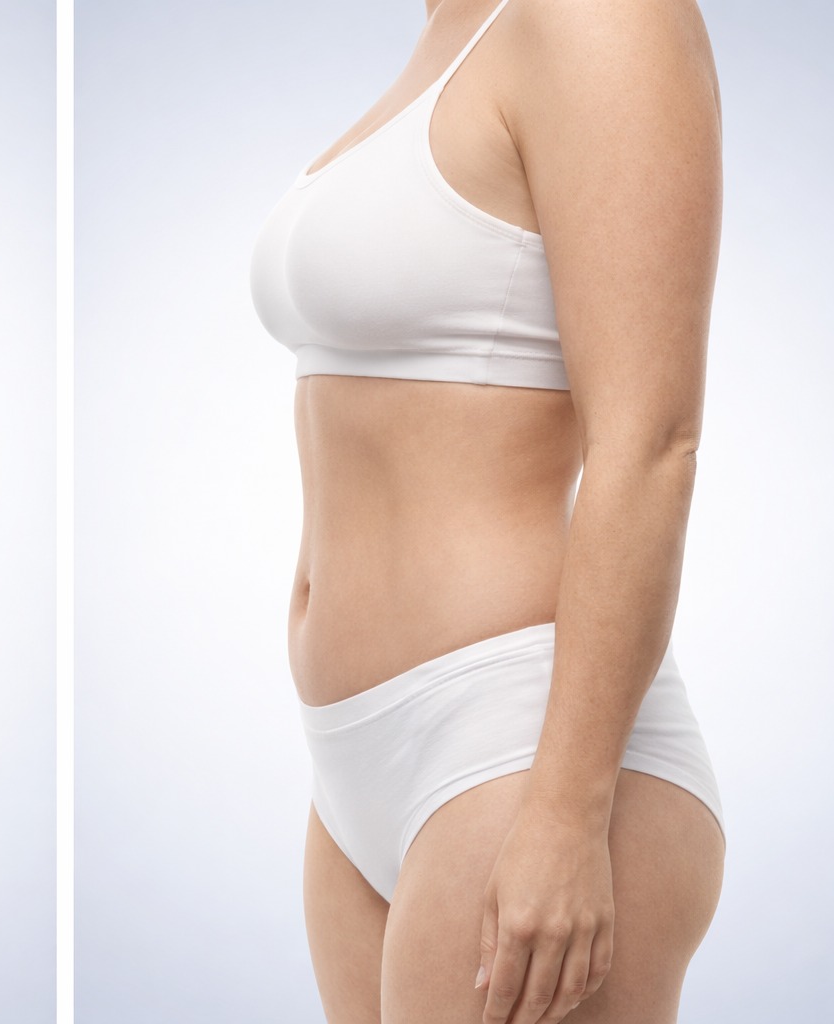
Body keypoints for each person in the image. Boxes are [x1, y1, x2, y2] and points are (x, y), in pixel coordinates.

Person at [249, 0, 726, 1020]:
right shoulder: (449, 34)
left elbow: (650, 445)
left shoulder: (602, 18)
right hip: (360, 764)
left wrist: (565, 812)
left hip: (520, 748)